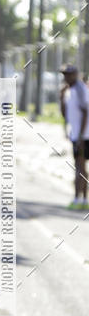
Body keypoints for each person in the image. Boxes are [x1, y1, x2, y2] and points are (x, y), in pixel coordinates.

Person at [59, 63, 89, 210]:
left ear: (75, 74)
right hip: (76, 135)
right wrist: (60, 97)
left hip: (84, 136)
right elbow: (66, 114)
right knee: (80, 167)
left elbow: (85, 112)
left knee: (80, 168)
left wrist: (80, 136)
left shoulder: (80, 89)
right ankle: (82, 200)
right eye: (64, 74)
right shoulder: (68, 90)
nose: (66, 77)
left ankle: (79, 199)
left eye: (69, 74)